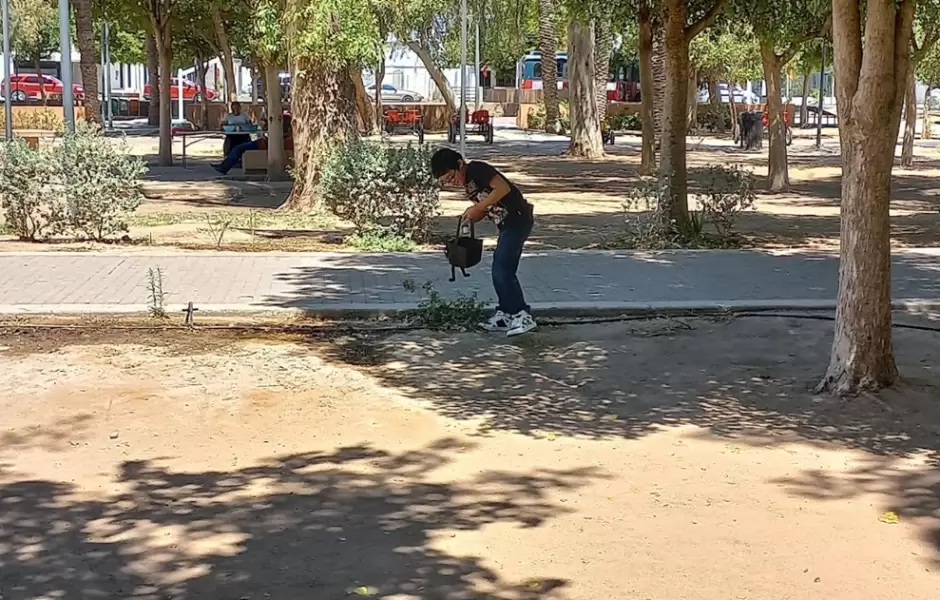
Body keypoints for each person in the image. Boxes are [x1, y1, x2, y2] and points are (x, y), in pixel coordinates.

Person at [431, 148, 536, 337]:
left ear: (460, 164)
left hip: (518, 219)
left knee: (503, 269)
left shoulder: (478, 169)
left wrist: (479, 206)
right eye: (446, 181)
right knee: (499, 269)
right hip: (505, 224)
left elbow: (503, 188)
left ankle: (521, 314)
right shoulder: (469, 187)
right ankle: (505, 313)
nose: (452, 182)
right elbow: (485, 209)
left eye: (451, 176)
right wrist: (470, 216)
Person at [214, 113, 292, 175]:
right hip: (265, 141)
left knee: (238, 148)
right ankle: (223, 166)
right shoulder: (278, 119)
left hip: (265, 144)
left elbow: (284, 135)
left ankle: (224, 167)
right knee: (237, 147)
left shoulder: (285, 120)